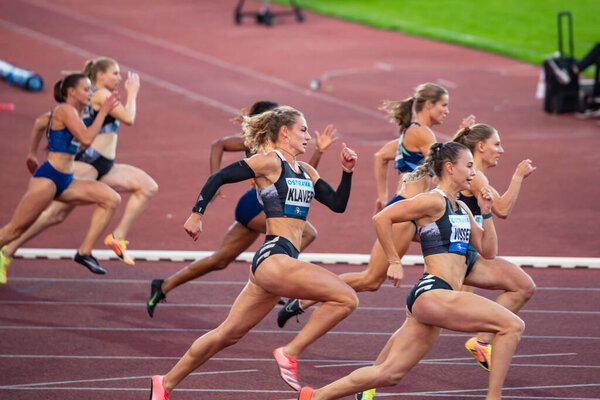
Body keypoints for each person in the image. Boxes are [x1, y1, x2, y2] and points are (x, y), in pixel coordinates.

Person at [149, 106, 358, 399]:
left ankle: (164, 384)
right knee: (346, 297)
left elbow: (337, 204)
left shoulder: (308, 171)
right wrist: (197, 214)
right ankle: (290, 352)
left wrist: (347, 172)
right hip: (274, 256)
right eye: (303, 130)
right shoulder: (269, 163)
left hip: (277, 264)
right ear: (284, 132)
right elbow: (219, 177)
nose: (309, 137)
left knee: (227, 335)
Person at [297, 142, 525, 400]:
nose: (474, 172)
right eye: (469, 165)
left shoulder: (461, 209)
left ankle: (315, 396)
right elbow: (381, 218)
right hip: (434, 293)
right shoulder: (432, 201)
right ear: (450, 168)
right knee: (512, 325)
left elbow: (488, 251)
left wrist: (486, 214)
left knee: (389, 374)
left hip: (438, 299)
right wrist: (394, 260)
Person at [277, 83, 473, 327]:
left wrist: (382, 195)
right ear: (429, 105)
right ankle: (302, 300)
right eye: (443, 105)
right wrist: (461, 134)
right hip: (407, 212)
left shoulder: (408, 134)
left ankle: (463, 298)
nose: (447, 111)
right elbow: (442, 161)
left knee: (460, 245)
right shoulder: (422, 133)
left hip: (412, 209)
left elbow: (381, 155)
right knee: (371, 279)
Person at [146, 100, 338, 317]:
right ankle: (276, 278)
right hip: (255, 204)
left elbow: (302, 179)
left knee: (220, 259)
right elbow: (218, 144)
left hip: (264, 206)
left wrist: (319, 151)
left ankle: (163, 285)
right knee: (307, 232)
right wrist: (214, 180)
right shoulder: (260, 143)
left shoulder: (286, 150)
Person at [1, 57, 157, 274]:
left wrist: (32, 153)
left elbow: (41, 122)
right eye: (115, 73)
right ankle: (7, 252)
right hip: (85, 164)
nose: (120, 78)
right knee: (47, 217)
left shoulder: (83, 104)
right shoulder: (99, 95)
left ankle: (111, 240)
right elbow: (127, 119)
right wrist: (133, 92)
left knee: (145, 187)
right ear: (100, 75)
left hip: (103, 165)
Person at [0, 73, 120, 283]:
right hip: (48, 179)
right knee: (13, 231)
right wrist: (105, 112)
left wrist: (31, 153)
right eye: (86, 89)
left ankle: (84, 252)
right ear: (71, 92)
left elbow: (39, 123)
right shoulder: (65, 110)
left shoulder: (77, 112)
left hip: (66, 180)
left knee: (111, 199)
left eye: (91, 89)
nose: (90, 93)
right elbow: (85, 140)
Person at [451, 123, 536, 371]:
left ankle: (482, 341)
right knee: (421, 327)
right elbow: (502, 210)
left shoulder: (474, 174)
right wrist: (518, 176)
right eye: (496, 144)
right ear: (480, 146)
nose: (501, 150)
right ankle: (372, 378)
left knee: (523, 286)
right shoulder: (475, 175)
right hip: (453, 257)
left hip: (466, 255)